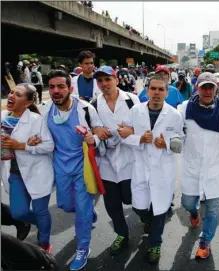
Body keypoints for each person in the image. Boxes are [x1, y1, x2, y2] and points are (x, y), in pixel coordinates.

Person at [40, 70, 103, 271]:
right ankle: (88, 211)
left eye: (61, 86)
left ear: (70, 88)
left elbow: (100, 131)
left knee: (82, 212)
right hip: (60, 166)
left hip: (83, 166)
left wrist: (95, 138)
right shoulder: (45, 110)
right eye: (52, 87)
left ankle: (83, 248)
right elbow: (38, 133)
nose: (56, 91)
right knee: (66, 205)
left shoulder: (85, 109)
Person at [121, 74, 184, 264]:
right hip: (140, 167)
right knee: (139, 207)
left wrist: (165, 143)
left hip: (162, 169)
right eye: (153, 89)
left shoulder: (174, 114)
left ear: (167, 92)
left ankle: (156, 243)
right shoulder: (135, 111)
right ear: (147, 90)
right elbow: (124, 135)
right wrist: (140, 138)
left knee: (159, 210)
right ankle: (147, 220)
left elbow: (180, 141)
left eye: (161, 89)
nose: (156, 93)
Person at [177, 72, 219, 259]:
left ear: (217, 88)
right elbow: (177, 132)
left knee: (213, 208)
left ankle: (205, 242)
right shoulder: (184, 108)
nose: (208, 91)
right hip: (191, 166)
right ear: (197, 88)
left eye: (211, 87)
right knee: (187, 202)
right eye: (204, 87)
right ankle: (193, 212)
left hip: (215, 167)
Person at [91, 66, 140, 255]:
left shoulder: (131, 101)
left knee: (130, 197)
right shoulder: (94, 105)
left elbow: (145, 126)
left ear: (116, 80)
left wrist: (131, 132)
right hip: (106, 160)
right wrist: (96, 132)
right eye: (100, 81)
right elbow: (89, 128)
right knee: (112, 203)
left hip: (130, 158)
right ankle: (122, 234)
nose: (104, 84)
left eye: (107, 79)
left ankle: (148, 217)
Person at [1, 83, 54, 253]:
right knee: (18, 213)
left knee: (41, 211)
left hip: (37, 172)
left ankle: (44, 244)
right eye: (11, 92)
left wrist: (22, 145)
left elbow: (49, 146)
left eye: (17, 95)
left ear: (27, 102)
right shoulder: (2, 117)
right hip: (14, 173)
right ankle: (41, 224)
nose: (11, 96)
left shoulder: (36, 120)